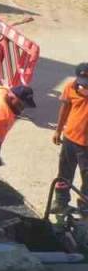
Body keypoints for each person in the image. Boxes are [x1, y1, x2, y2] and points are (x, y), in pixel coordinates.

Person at [53, 63, 88, 212]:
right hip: (70, 139)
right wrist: (58, 130)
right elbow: (65, 109)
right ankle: (60, 201)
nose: (84, 83)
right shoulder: (70, 87)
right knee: (64, 173)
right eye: (82, 79)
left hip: (86, 145)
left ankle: (84, 205)